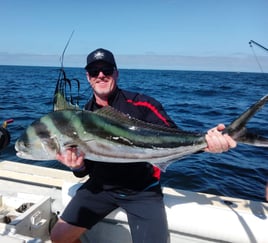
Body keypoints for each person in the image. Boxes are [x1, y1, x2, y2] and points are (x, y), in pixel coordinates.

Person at [50, 48, 237, 243]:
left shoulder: (143, 105)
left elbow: (173, 138)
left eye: (106, 69)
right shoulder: (82, 116)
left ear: (116, 73)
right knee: (59, 236)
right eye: (95, 71)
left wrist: (206, 144)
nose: (101, 75)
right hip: (100, 188)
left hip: (142, 192)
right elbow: (85, 168)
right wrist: (77, 166)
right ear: (88, 77)